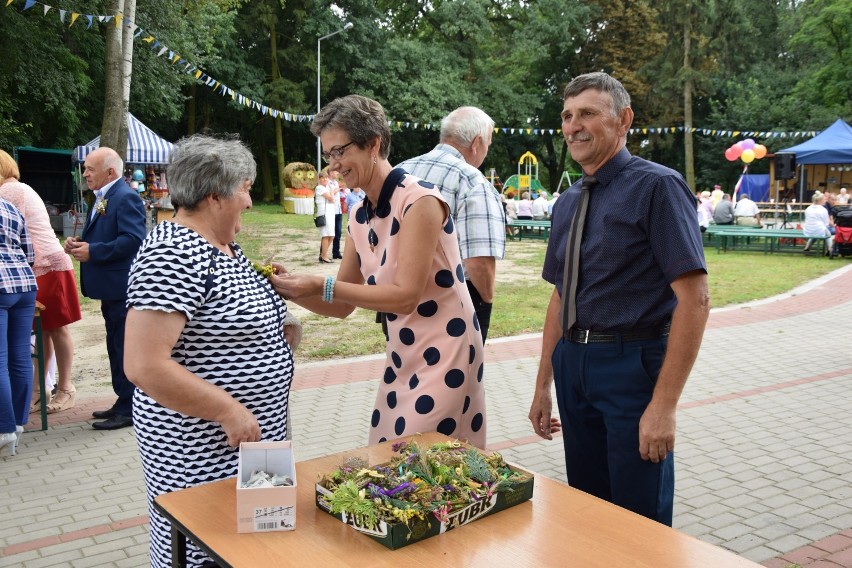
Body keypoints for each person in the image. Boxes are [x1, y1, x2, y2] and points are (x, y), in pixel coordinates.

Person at [527, 72, 709, 526]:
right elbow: (558, 295)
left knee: (638, 514)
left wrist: (664, 406)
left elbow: (695, 300)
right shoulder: (568, 200)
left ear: (623, 120)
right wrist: (542, 385)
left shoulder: (657, 188)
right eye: (567, 116)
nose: (573, 126)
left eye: (587, 113)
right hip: (573, 364)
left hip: (632, 364)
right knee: (587, 506)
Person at [272, 94, 486, 448]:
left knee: (421, 464)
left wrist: (318, 283)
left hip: (447, 349)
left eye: (340, 151)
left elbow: (404, 297)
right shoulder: (359, 214)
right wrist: (292, 289)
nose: (333, 164)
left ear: (373, 144)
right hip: (403, 353)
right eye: (329, 154)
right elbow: (341, 305)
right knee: (390, 456)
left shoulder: (420, 201)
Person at [124, 134, 297, 568]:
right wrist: (227, 410)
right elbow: (144, 365)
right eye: (246, 188)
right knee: (208, 551)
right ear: (216, 194)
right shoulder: (173, 250)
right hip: (202, 448)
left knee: (261, 545)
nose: (251, 202)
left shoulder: (224, 247)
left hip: (256, 442)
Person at [398, 106, 506, 342]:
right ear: (477, 143)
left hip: (398, 301)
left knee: (406, 375)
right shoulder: (472, 181)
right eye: (487, 144)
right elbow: (479, 260)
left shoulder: (400, 172)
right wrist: (485, 301)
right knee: (457, 378)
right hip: (452, 305)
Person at [64, 147, 146, 430]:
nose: (84, 173)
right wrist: (78, 244)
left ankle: (130, 409)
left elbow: (135, 240)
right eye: (85, 168)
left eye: (89, 168)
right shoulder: (103, 197)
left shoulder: (125, 197)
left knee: (123, 347)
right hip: (109, 290)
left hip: (122, 289)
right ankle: (122, 401)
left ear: (110, 172)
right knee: (114, 346)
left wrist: (94, 251)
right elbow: (107, 234)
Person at [0, 150, 82, 414]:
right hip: (38, 266)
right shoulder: (18, 189)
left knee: (56, 329)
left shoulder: (8, 193)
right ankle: (39, 391)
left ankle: (66, 388)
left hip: (47, 265)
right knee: (44, 330)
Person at [0, 197, 36, 456]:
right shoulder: (9, 206)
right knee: (21, 357)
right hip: (24, 284)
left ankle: (4, 429)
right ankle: (17, 423)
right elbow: (30, 252)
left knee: (0, 362)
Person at [802, 192, 835, 257]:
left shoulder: (808, 208)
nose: (825, 200)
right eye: (823, 199)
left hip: (807, 229)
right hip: (819, 229)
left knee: (816, 234)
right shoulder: (823, 210)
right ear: (820, 200)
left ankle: (807, 248)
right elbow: (826, 223)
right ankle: (830, 249)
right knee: (827, 234)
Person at [314, 171, 336, 263]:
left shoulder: (326, 187)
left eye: (326, 177)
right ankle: (323, 256)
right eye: (322, 177)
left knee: (331, 235)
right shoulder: (319, 188)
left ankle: (324, 254)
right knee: (326, 235)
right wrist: (331, 192)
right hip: (324, 213)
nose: (325, 179)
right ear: (319, 179)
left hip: (330, 213)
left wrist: (331, 194)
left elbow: (332, 200)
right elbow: (331, 198)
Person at [328, 169, 344, 259]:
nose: (337, 173)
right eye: (335, 172)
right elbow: (329, 195)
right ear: (331, 173)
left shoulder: (336, 183)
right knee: (329, 233)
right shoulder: (327, 183)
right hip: (331, 211)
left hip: (338, 210)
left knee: (338, 233)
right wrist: (336, 190)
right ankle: (323, 253)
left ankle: (336, 252)